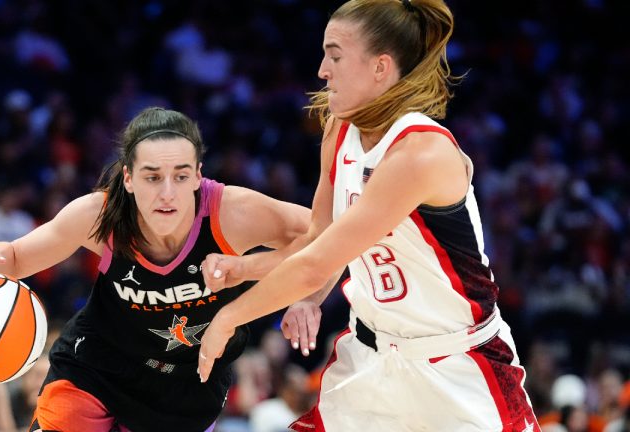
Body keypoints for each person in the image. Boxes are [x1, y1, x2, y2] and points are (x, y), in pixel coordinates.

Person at [197, 0, 541, 430]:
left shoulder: (419, 152)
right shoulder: (339, 129)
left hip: (458, 370)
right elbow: (317, 240)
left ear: (380, 67)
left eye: (335, 55)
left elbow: (317, 264)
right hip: (372, 362)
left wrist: (229, 317)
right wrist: (242, 270)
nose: (323, 69)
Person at [0, 106, 310, 432]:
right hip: (97, 364)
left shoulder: (232, 213)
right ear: (129, 179)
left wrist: (280, 282)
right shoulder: (100, 215)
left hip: (188, 386)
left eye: (181, 176)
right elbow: (17, 258)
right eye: (152, 177)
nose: (167, 192)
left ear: (198, 175)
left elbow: (326, 237)